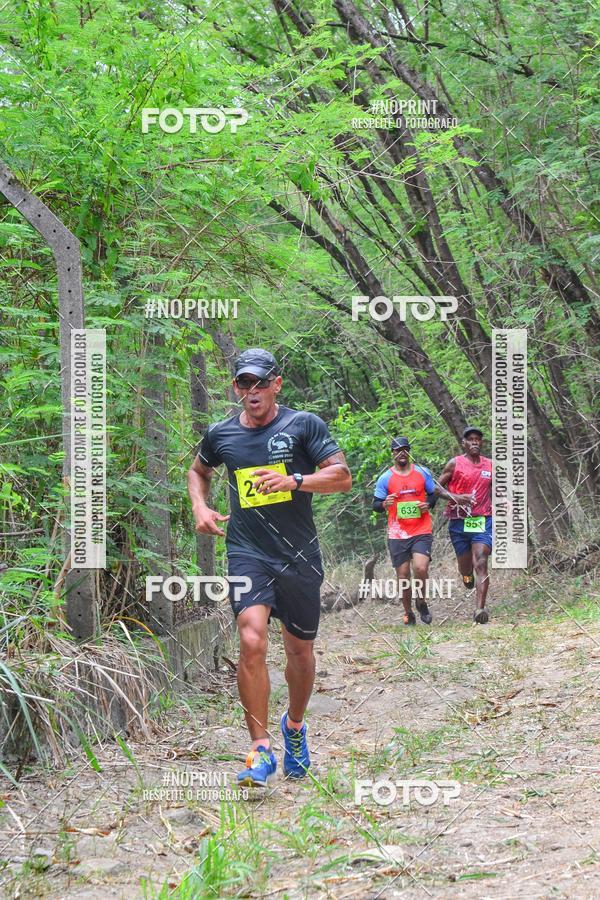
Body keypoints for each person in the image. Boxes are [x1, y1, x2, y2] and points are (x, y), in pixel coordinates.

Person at [187, 348, 351, 788]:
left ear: (277, 384)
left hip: (299, 554)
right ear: (235, 388)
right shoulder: (221, 433)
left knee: (299, 652)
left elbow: (342, 477)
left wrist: (294, 480)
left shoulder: (303, 425)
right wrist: (200, 506)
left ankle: (294, 726)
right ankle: (259, 749)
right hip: (248, 552)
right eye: (245, 383)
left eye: (261, 382)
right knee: (251, 637)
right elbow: (198, 471)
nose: (253, 391)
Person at [373, 437, 471, 626]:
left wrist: (428, 504)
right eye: (398, 450)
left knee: (420, 568)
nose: (402, 453)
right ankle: (408, 612)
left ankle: (421, 602)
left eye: (405, 449)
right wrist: (384, 504)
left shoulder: (422, 472)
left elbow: (433, 493)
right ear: (393, 454)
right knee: (403, 576)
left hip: (421, 530)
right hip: (397, 533)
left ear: (409, 452)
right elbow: (375, 505)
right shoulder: (385, 478)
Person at [438, 427, 493, 624]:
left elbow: (499, 490)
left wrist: (505, 501)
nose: (475, 442)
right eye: (470, 439)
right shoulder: (454, 463)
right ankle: (466, 575)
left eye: (478, 439)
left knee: (481, 560)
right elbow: (436, 487)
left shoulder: (490, 465)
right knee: (465, 566)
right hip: (459, 521)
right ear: (464, 443)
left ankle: (480, 609)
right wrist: (456, 497)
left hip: (482, 519)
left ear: (481, 443)